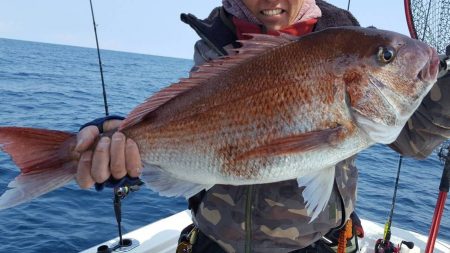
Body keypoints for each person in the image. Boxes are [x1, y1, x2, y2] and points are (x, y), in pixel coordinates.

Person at [75, 0, 450, 252]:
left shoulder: (344, 38)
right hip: (215, 239)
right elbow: (195, 138)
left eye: (386, 57)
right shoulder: (216, 41)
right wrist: (122, 139)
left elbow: (412, 140)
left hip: (315, 241)